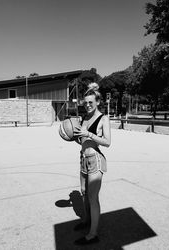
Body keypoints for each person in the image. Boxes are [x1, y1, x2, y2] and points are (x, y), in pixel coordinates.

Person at [73, 82, 111, 245]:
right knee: (83, 192)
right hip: (83, 158)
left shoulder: (104, 118)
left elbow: (107, 142)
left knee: (92, 197)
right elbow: (82, 141)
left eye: (91, 102)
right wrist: (75, 137)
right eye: (85, 102)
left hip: (95, 159)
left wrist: (89, 134)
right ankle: (87, 221)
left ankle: (93, 234)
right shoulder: (84, 118)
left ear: (97, 102)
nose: (87, 105)